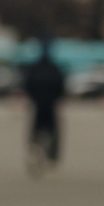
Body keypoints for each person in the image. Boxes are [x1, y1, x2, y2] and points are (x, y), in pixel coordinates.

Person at [23, 38, 67, 172]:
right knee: (53, 131)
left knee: (36, 130)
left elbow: (28, 85)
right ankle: (51, 156)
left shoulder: (35, 68)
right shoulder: (54, 68)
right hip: (50, 104)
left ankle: (35, 149)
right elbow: (61, 87)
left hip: (38, 104)